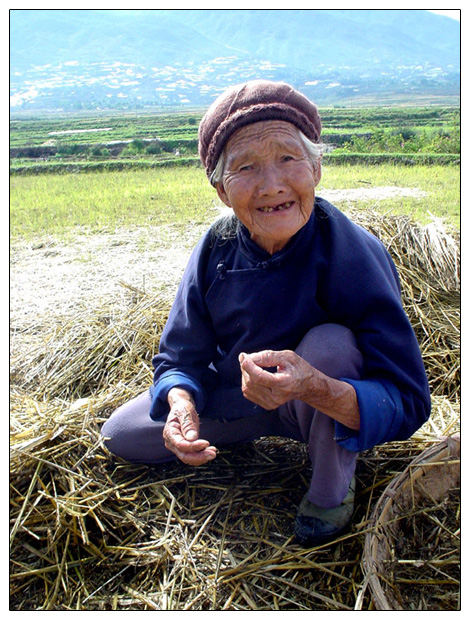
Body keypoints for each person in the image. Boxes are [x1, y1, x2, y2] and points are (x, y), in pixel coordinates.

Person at [101, 80, 431, 546]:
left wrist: (313, 387)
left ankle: (330, 489)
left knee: (331, 344)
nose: (272, 184)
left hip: (323, 402)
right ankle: (246, 432)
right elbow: (180, 354)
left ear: (316, 167)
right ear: (221, 190)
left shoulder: (352, 252)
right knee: (122, 434)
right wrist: (181, 402)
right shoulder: (216, 248)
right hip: (242, 400)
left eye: (288, 158)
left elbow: (411, 401)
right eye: (246, 167)